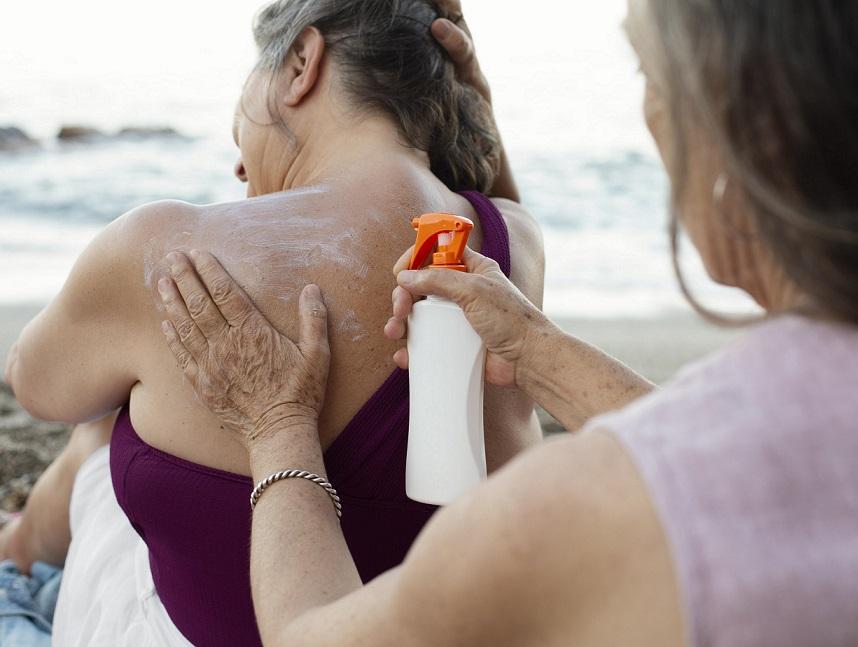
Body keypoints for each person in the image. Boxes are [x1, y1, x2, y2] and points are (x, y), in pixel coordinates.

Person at [157, 0, 858, 645]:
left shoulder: (595, 508)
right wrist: (539, 351)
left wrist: (276, 423)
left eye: (650, 73)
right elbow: (787, 467)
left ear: (758, 133)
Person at [2, 1, 544, 644]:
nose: (239, 168)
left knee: (104, 416)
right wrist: (472, 103)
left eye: (240, 128)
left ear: (300, 64)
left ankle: (14, 559)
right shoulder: (512, 252)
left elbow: (35, 386)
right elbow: (496, 202)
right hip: (430, 624)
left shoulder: (160, 250)